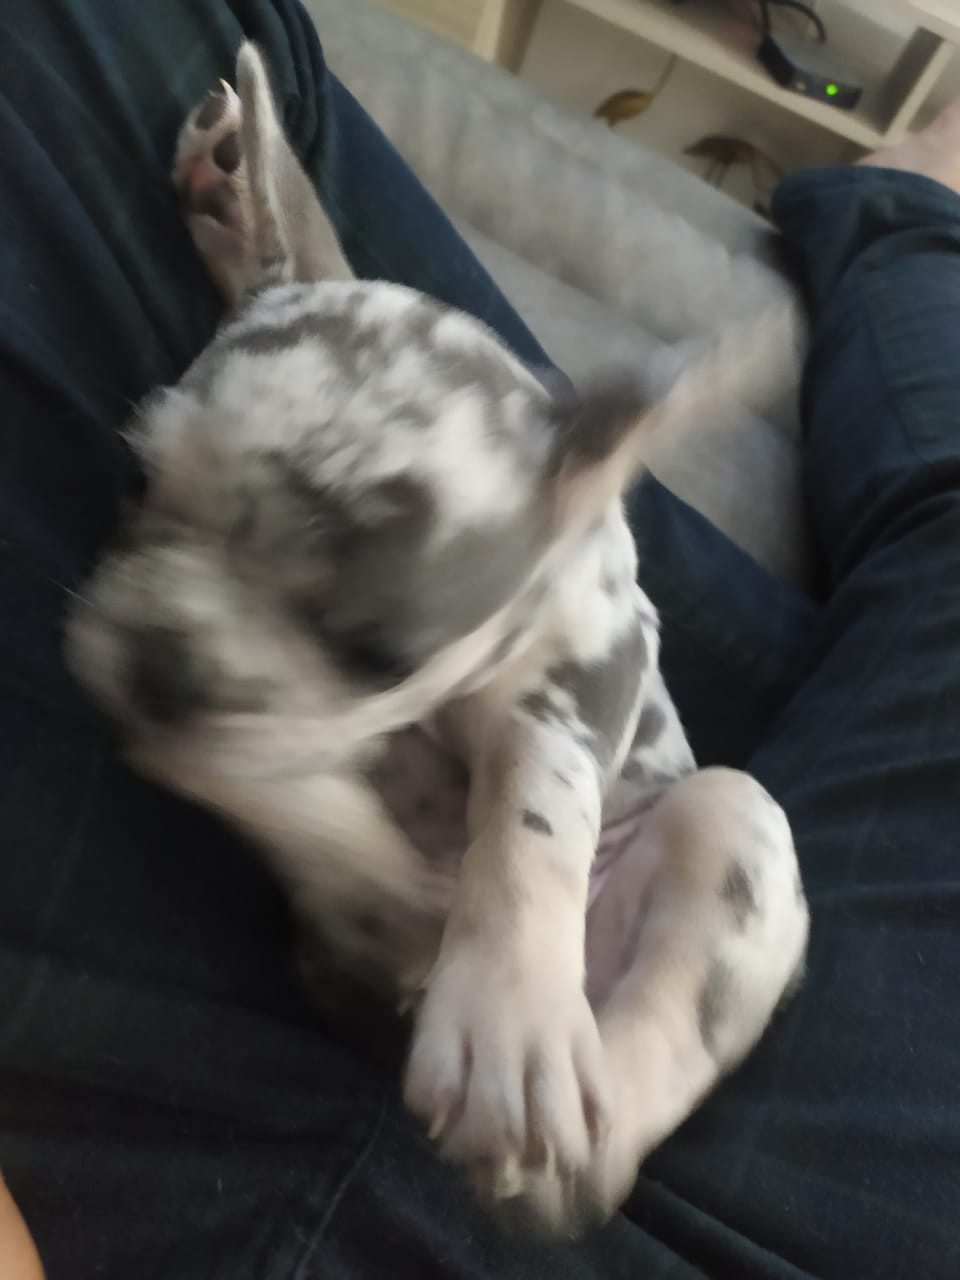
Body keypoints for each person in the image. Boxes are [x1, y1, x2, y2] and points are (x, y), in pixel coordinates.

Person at [0, 1, 957, 1276]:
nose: (181, 649)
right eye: (162, 491)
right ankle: (912, 213)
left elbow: (570, 693)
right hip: (359, 911)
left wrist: (525, 928)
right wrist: (277, 284)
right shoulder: (435, 524)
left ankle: (605, 1115)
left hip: (582, 934)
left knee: (739, 834)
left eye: (355, 642)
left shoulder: (560, 541)